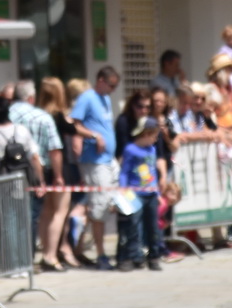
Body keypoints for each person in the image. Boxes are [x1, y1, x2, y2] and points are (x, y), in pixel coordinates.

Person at [69, 67, 121, 270]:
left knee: (106, 204)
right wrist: (93, 136)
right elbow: (74, 124)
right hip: (94, 160)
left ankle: (78, 246)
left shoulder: (105, 98)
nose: (113, 90)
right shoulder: (87, 97)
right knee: (99, 206)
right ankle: (101, 254)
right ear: (100, 80)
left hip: (108, 159)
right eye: (111, 85)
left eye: (116, 86)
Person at [116, 118, 165, 271]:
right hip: (135, 192)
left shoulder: (152, 149)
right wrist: (123, 188)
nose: (156, 139)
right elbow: (124, 171)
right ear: (146, 133)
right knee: (134, 226)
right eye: (154, 135)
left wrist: (156, 191)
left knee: (153, 227)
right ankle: (132, 256)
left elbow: (152, 172)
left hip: (150, 192)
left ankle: (154, 255)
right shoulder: (130, 149)